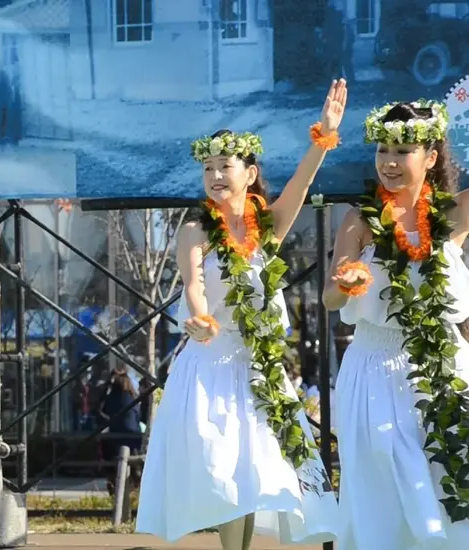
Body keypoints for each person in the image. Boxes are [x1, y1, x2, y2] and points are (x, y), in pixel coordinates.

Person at [136, 80, 348, 550]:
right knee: (223, 469)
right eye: (207, 167)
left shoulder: (267, 227)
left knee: (256, 474)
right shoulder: (195, 230)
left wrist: (324, 135)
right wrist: (199, 319)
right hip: (211, 362)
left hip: (260, 364)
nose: (214, 176)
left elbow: (302, 183)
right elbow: (193, 285)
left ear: (249, 174)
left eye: (224, 166)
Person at [324, 100, 469, 550]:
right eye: (382, 148)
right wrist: (346, 283)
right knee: (386, 490)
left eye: (403, 150)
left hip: (444, 367)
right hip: (374, 367)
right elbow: (330, 299)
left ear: (431, 157)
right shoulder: (358, 221)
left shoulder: (451, 216)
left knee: (463, 473)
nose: (389, 160)